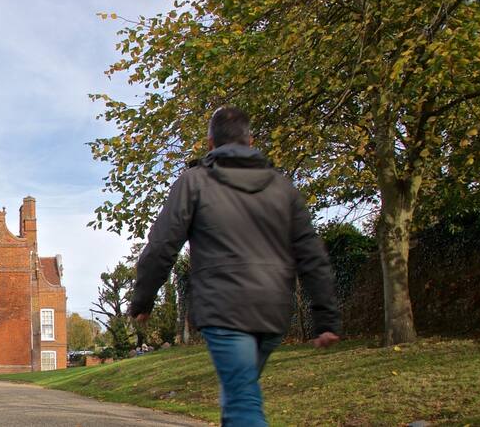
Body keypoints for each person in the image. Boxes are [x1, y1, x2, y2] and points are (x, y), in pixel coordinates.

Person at [129, 107, 341, 426]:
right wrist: (326, 318)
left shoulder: (194, 182)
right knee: (238, 390)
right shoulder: (282, 188)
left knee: (242, 398)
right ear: (250, 140)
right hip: (272, 309)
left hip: (224, 306)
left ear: (210, 142)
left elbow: (162, 245)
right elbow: (312, 254)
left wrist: (143, 300)